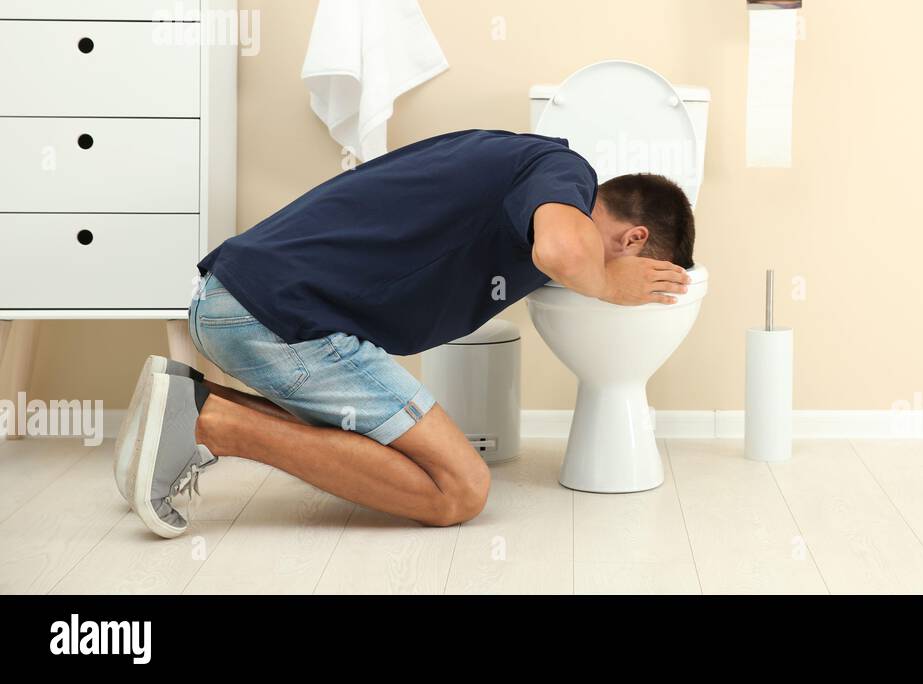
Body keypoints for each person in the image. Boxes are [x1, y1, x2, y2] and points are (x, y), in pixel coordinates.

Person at [116, 129, 695, 537]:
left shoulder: (528, 184)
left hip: (254, 303)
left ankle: (189, 402)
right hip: (275, 315)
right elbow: (563, 250)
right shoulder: (563, 170)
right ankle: (207, 423)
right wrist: (611, 287)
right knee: (460, 490)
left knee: (428, 465)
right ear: (633, 241)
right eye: (645, 281)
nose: (627, 289)